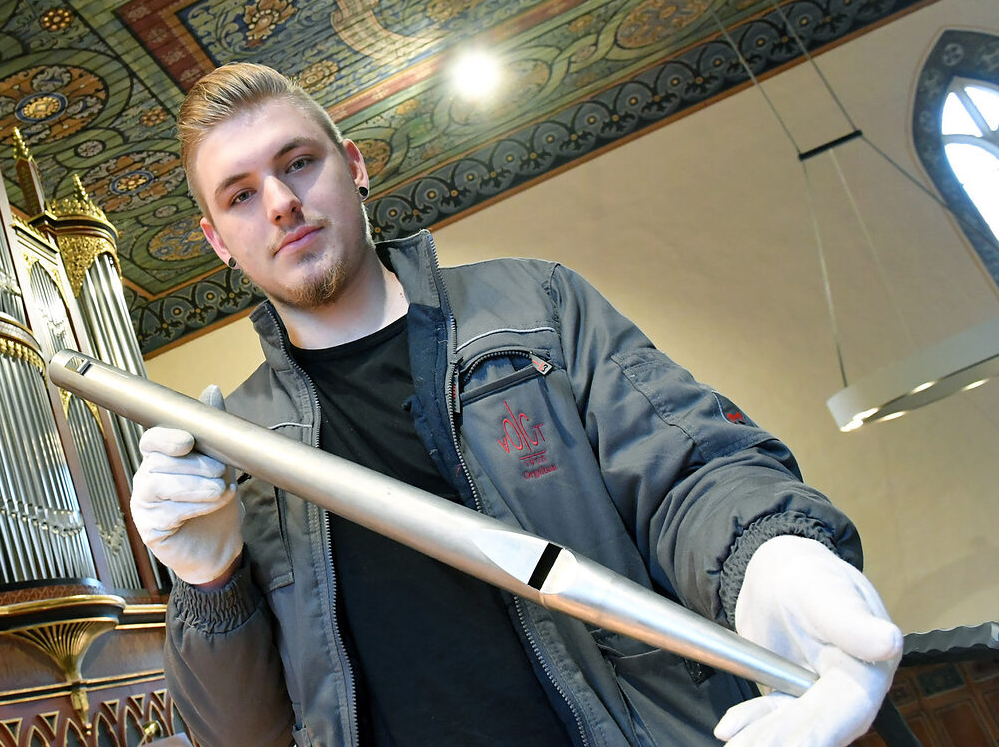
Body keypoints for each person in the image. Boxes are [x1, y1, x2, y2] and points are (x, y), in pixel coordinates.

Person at [131, 63, 901, 747]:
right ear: (217, 240)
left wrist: (771, 561)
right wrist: (210, 581)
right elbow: (242, 734)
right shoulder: (230, 449)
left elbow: (688, 470)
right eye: (239, 194)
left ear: (355, 164)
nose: (279, 203)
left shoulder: (537, 302)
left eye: (298, 163)